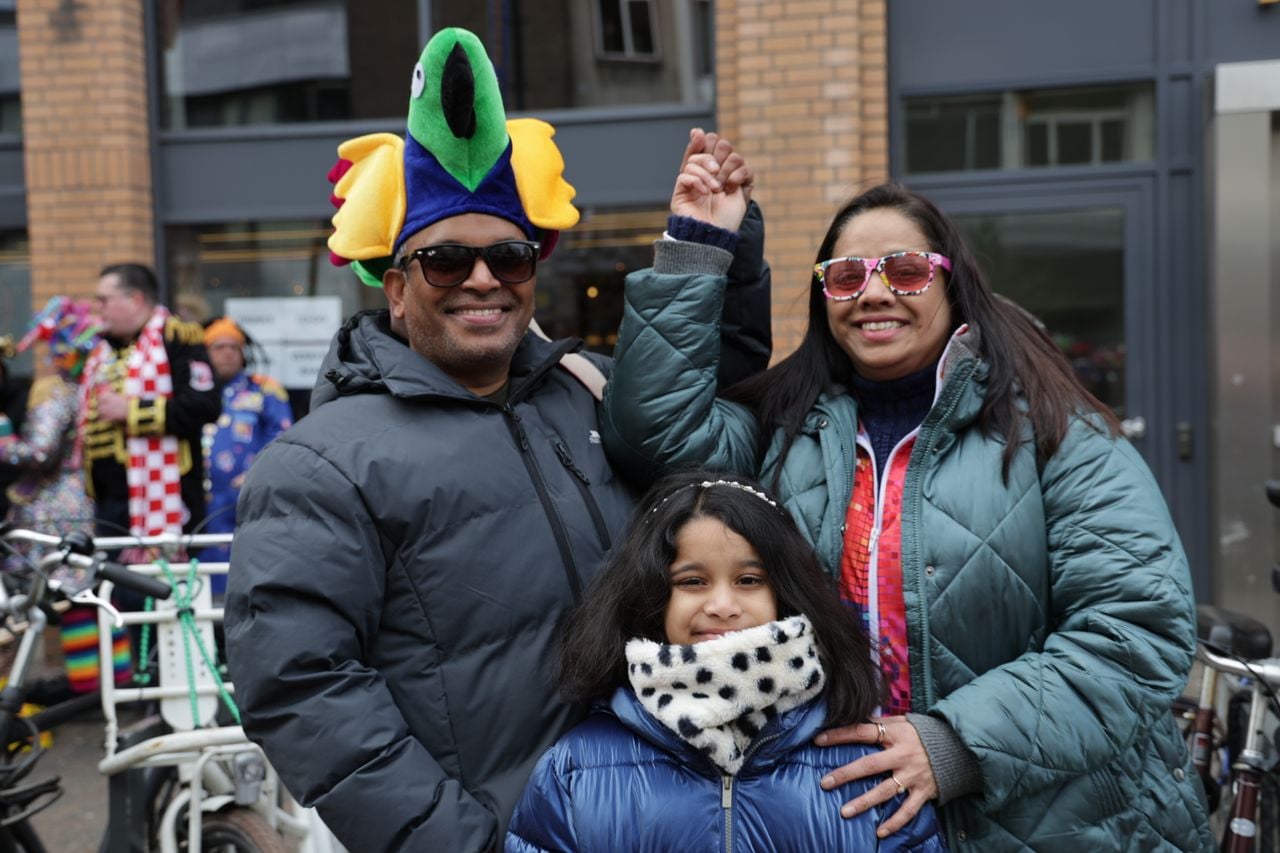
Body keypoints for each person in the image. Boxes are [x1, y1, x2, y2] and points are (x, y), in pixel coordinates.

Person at [224, 27, 771, 853]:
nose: (482, 279)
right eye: (445, 261)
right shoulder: (319, 463)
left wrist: (715, 247)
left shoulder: (586, 392)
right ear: (397, 290)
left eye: (509, 257)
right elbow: (302, 687)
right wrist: (465, 845)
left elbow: (701, 417)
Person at [601, 160, 1214, 849]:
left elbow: (1136, 629)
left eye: (906, 270)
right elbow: (653, 433)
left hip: (1066, 822)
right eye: (846, 276)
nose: (874, 293)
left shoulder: (1054, 428)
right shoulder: (784, 426)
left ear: (953, 284)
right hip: (849, 818)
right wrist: (695, 243)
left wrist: (954, 743)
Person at [506, 472, 944, 852]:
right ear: (652, 597)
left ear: (786, 594)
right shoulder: (577, 768)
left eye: (748, 580)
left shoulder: (867, 765)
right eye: (692, 581)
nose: (721, 604)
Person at [0, 298, 132, 695]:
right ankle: (111, 682)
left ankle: (87, 687)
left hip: (55, 505)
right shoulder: (93, 386)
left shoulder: (55, 391)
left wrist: (4, 436)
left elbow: (38, 453)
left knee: (63, 597)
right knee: (85, 594)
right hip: (83, 498)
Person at [82, 263, 221, 543]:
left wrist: (131, 411)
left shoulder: (176, 338)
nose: (98, 308)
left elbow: (203, 405)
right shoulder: (102, 351)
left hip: (167, 496)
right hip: (110, 504)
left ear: (135, 300)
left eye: (104, 300)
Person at [199, 317, 292, 582]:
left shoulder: (264, 389)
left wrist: (256, 473)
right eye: (218, 347)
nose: (227, 352)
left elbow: (283, 438)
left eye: (234, 346)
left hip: (252, 497)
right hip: (205, 504)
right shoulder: (196, 391)